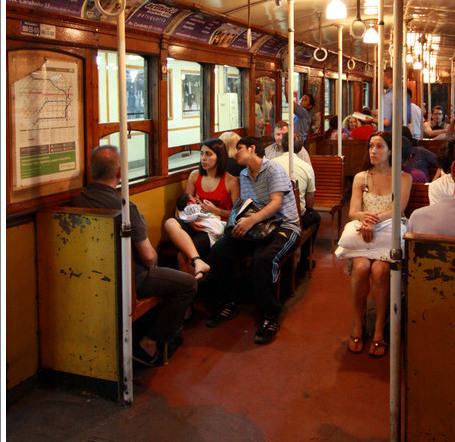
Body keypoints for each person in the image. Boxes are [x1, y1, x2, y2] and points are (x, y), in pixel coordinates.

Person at [73, 145, 197, 366]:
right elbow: (149, 257)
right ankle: (148, 343)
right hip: (129, 278)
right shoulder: (125, 208)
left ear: (91, 171)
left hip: (88, 275)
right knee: (187, 284)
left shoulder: (78, 202)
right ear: (120, 173)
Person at [205, 136, 301, 344]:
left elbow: (276, 204)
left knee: (263, 259)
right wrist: (238, 223)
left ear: (252, 148)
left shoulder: (273, 170)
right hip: (259, 228)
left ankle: (270, 315)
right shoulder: (244, 175)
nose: (236, 153)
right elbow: (248, 206)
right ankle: (228, 302)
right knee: (219, 250)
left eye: (239, 149)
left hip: (284, 226)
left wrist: (250, 222)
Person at [335, 131, 412, 358]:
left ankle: (379, 329)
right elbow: (352, 211)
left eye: (379, 147)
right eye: (371, 146)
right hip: (365, 229)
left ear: (390, 151)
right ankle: (358, 324)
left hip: (387, 230)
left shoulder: (403, 178)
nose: (373, 151)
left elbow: (398, 210)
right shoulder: (361, 178)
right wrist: (365, 218)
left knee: (380, 270)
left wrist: (373, 220)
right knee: (361, 267)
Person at [164, 138, 239, 274]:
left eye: (208, 154)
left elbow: (237, 214)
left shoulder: (231, 181)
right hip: (194, 222)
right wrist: (190, 222)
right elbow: (184, 208)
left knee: (182, 255)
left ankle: (193, 288)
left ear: (219, 157)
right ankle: (194, 275)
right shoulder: (194, 176)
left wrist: (216, 210)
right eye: (201, 154)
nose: (203, 158)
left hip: (214, 227)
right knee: (170, 222)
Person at [275, 131, 321, 272]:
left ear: (282, 146)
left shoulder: (270, 164)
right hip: (294, 218)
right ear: (301, 148)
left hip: (271, 216)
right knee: (315, 217)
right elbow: (309, 204)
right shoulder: (307, 168)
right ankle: (304, 261)